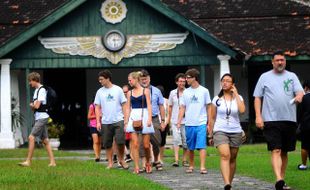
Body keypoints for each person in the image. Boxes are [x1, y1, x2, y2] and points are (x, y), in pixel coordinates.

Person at [253, 51, 304, 190]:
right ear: (272, 62)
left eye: (282, 60)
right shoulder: (264, 77)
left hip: (289, 119)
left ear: (285, 61)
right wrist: (258, 116)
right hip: (271, 119)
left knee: (285, 151)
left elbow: (300, 91)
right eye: (277, 60)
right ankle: (278, 178)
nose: (280, 62)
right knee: (276, 149)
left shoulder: (292, 76)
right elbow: (257, 97)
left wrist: (299, 96)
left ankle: (281, 181)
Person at [209, 73, 245, 190]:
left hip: (235, 130)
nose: (225, 83)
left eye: (228, 81)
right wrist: (210, 134)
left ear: (233, 84)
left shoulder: (238, 98)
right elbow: (212, 118)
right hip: (220, 130)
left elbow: (242, 110)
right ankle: (226, 183)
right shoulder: (216, 99)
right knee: (225, 155)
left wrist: (236, 94)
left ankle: (229, 182)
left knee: (233, 158)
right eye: (223, 80)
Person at [177, 68, 211, 174]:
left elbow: (208, 106)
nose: (186, 79)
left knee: (201, 145)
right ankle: (191, 166)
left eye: (188, 77)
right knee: (190, 147)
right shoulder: (186, 92)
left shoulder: (204, 91)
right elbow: (182, 107)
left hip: (201, 122)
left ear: (194, 78)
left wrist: (209, 121)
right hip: (189, 123)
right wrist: (179, 121)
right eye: (186, 77)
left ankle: (202, 167)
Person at [19, 72, 56, 167]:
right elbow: (35, 107)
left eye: (30, 81)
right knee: (45, 140)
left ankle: (28, 161)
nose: (29, 83)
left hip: (42, 117)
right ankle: (53, 162)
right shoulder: (36, 91)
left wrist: (32, 105)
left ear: (35, 80)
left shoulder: (42, 90)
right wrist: (33, 105)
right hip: (39, 116)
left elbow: (37, 105)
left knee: (31, 137)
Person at [94, 69, 128, 169]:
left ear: (108, 78)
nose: (100, 81)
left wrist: (125, 120)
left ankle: (121, 159)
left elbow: (124, 105)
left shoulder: (118, 89)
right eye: (99, 79)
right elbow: (97, 107)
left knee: (120, 142)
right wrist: (98, 122)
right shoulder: (99, 92)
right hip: (105, 121)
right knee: (107, 144)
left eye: (102, 79)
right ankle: (110, 163)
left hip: (118, 120)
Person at [124, 71, 154, 174]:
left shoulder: (146, 91)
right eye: (128, 80)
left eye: (130, 80)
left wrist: (149, 118)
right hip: (133, 116)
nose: (129, 82)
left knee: (146, 145)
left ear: (136, 79)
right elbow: (127, 108)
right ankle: (136, 167)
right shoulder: (129, 93)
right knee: (135, 144)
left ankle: (148, 162)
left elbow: (149, 105)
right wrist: (126, 121)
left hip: (144, 114)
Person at [140, 69, 166, 171]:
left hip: (154, 118)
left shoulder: (156, 91)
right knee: (142, 142)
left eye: (145, 79)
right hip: (141, 119)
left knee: (156, 141)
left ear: (149, 78)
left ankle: (156, 160)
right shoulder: (137, 91)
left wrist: (163, 121)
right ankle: (144, 163)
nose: (144, 81)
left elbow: (161, 106)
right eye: (142, 79)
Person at [167, 73, 189, 167]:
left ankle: (184, 160)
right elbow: (170, 106)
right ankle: (176, 160)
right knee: (176, 140)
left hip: (186, 120)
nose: (182, 83)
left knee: (185, 141)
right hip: (175, 120)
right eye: (180, 81)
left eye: (184, 81)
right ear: (177, 82)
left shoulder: (188, 92)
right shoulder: (172, 93)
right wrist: (169, 118)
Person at [297, 80, 310, 170]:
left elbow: (299, 113)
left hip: (306, 125)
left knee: (305, 146)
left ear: (306, 88)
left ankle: (304, 165)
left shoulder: (304, 98)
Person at [156, 85, 169, 165]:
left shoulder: (166, 101)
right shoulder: (152, 100)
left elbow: (168, 114)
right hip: (155, 123)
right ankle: (155, 158)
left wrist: (165, 123)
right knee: (155, 142)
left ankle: (161, 158)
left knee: (162, 142)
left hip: (164, 123)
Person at [87, 97, 102, 162]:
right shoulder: (92, 106)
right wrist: (97, 115)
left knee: (100, 142)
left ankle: (99, 155)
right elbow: (89, 116)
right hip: (93, 126)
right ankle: (96, 156)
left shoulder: (103, 106)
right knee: (96, 141)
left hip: (101, 125)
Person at [123, 84, 132, 163]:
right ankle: (128, 155)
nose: (125, 93)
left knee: (132, 140)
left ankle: (130, 155)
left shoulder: (132, 99)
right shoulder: (122, 100)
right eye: (123, 92)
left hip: (131, 121)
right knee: (120, 139)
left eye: (126, 91)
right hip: (124, 122)